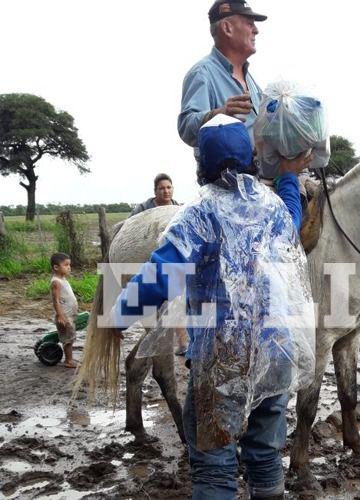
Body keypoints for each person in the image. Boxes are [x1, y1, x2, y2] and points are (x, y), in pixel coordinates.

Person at [109, 115, 313, 499]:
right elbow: (292, 213)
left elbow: (160, 276)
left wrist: (118, 317)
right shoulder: (272, 209)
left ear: (201, 166)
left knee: (215, 462)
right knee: (266, 452)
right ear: (251, 158)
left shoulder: (199, 216)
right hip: (278, 350)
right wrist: (287, 174)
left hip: (224, 359)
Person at [178, 0, 267, 168]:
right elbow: (186, 127)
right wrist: (220, 114)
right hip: (230, 188)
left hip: (262, 186)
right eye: (249, 23)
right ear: (227, 28)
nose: (256, 30)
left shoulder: (251, 81)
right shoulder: (202, 73)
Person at [128, 173, 188, 355]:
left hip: (171, 261)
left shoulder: (179, 209)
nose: (166, 191)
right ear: (155, 191)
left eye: (169, 187)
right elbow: (131, 229)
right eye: (162, 188)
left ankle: (183, 341)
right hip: (150, 260)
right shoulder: (144, 209)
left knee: (176, 300)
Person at [50, 252, 79, 369]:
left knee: (70, 337)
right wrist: (60, 316)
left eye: (69, 265)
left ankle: (70, 358)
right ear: (56, 267)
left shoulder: (63, 280)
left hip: (69, 315)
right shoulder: (56, 282)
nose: (69, 267)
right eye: (66, 265)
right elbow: (55, 301)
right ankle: (68, 360)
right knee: (68, 339)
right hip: (64, 316)